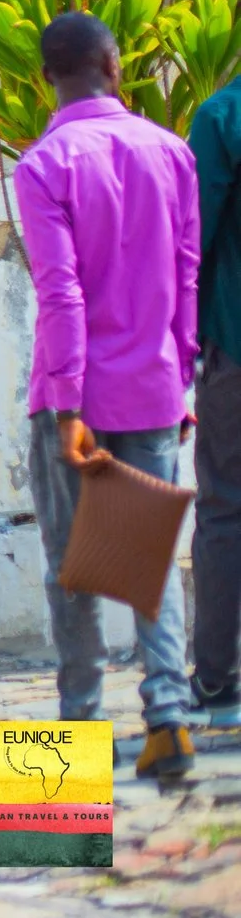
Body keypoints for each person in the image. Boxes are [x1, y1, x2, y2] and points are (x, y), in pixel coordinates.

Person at [13, 11, 200, 778]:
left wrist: (67, 404)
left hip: (76, 397)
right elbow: (187, 271)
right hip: (154, 387)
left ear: (46, 75)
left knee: (72, 568)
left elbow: (61, 293)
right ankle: (169, 720)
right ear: (114, 64)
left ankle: (77, 738)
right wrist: (181, 375)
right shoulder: (172, 151)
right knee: (149, 557)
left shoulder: (44, 163)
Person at [189, 74, 241, 728]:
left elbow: (192, 239)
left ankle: (215, 678)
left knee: (226, 507)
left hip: (235, 338)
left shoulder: (222, 115)